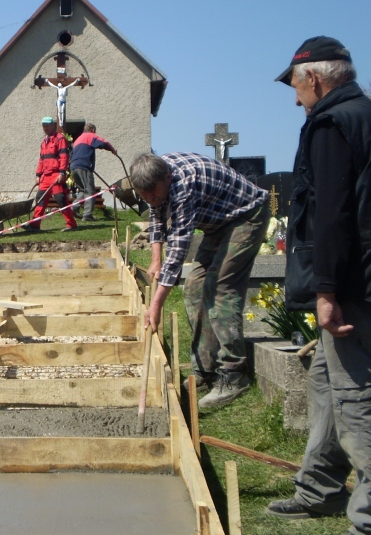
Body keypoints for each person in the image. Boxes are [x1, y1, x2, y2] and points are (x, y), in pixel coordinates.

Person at [266, 37, 371, 532]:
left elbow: (333, 214)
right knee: (326, 383)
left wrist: (327, 291)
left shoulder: (330, 125)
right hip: (354, 278)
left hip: (352, 287)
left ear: (315, 78)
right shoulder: (362, 115)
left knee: (355, 399)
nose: (294, 98)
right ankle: (320, 489)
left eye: (295, 86)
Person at [130, 152, 269, 408]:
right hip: (218, 224)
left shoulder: (184, 186)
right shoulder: (153, 180)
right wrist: (155, 258)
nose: (151, 199)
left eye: (155, 194)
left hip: (246, 217)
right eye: (144, 195)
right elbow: (157, 217)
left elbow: (179, 248)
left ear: (168, 178)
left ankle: (233, 373)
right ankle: (206, 370)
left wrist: (157, 305)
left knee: (220, 287)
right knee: (193, 287)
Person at [26, 117, 77, 232]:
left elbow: (64, 156)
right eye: (43, 126)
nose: (45, 128)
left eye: (47, 126)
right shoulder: (44, 142)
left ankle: (72, 224)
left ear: (53, 126)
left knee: (61, 198)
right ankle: (34, 225)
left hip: (56, 175)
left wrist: (62, 172)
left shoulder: (60, 139)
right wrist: (38, 175)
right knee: (40, 200)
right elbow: (41, 160)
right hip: (45, 176)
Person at [70, 123, 117, 221]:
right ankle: (87, 215)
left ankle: (74, 208)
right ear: (92, 130)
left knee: (83, 190)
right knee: (90, 191)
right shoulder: (90, 136)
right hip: (84, 166)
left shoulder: (78, 139)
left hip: (73, 167)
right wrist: (113, 150)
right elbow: (103, 142)